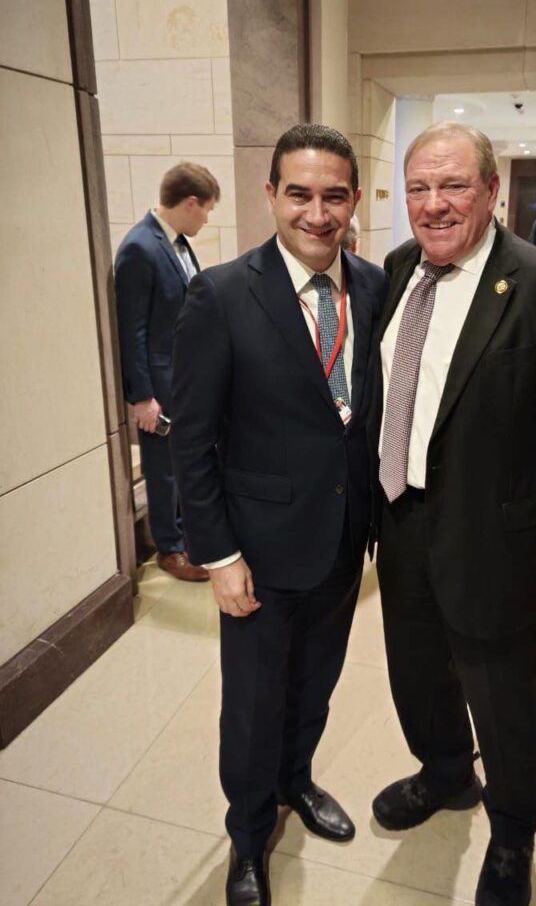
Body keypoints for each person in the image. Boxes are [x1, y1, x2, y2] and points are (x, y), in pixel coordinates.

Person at [369, 122, 536, 906]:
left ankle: (512, 832)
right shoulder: (398, 270)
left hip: (497, 540)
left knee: (503, 696)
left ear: (492, 190)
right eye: (418, 188)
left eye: (453, 185)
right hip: (402, 521)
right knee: (415, 673)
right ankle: (445, 773)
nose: (433, 204)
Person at [170, 124, 387, 906]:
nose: (317, 214)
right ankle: (248, 834)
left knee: (315, 686)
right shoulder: (222, 294)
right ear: (271, 195)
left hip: (343, 541)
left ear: (353, 200)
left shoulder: (375, 287)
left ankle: (297, 780)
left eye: (334, 196)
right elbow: (192, 441)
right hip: (257, 554)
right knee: (254, 705)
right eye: (299, 194)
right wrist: (218, 556)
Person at [114, 162, 220, 582]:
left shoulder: (176, 244)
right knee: (161, 469)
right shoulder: (140, 247)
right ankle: (169, 549)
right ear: (190, 202)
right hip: (158, 385)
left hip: (184, 379)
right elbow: (132, 329)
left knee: (185, 464)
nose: (206, 219)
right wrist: (142, 397)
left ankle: (187, 536)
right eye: (206, 209)